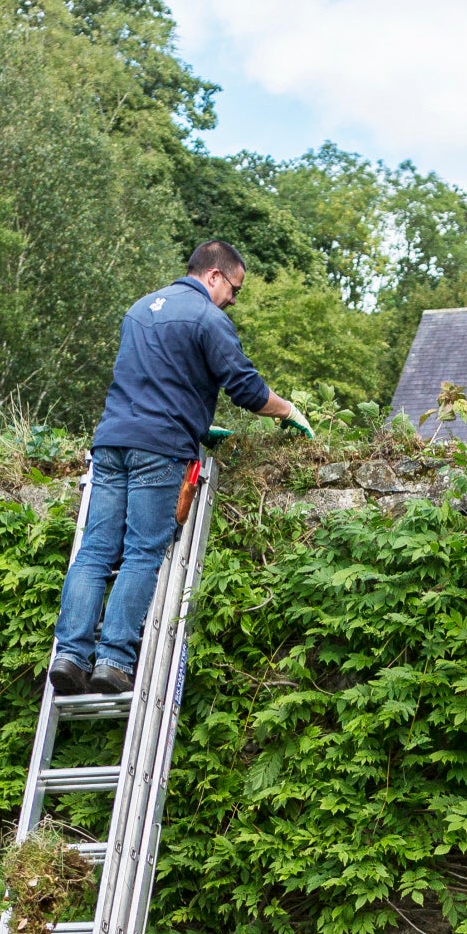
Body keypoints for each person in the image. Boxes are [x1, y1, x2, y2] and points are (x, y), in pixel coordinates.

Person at [49, 240, 312, 697]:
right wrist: (288, 410)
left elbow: (155, 378)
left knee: (94, 551)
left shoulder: (139, 308)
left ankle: (70, 656)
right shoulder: (208, 318)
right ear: (214, 275)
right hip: (160, 449)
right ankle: (112, 661)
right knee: (141, 553)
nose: (234, 299)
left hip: (111, 443)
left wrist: (198, 422)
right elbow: (247, 390)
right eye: (235, 288)